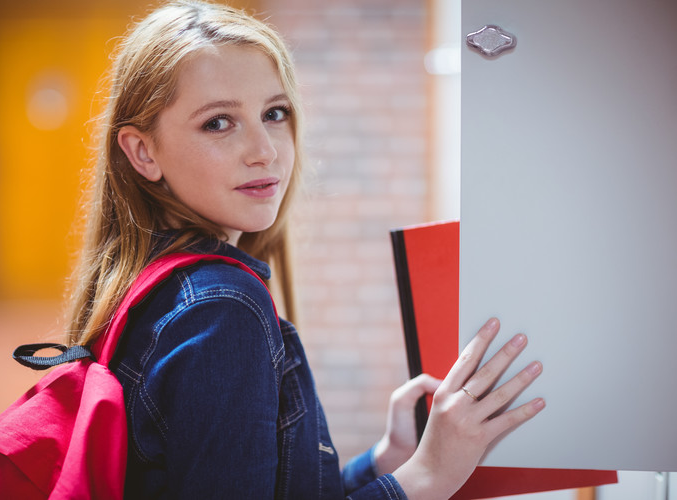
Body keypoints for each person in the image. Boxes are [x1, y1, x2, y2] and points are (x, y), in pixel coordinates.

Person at [64, 1, 546, 498]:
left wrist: (386, 460)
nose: (265, 150)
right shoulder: (220, 309)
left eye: (274, 113)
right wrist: (426, 476)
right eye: (218, 123)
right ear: (143, 152)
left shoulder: (154, 283)